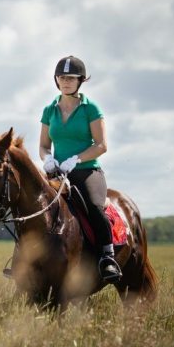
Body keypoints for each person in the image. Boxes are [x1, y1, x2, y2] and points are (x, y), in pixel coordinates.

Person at [38, 55, 121, 283]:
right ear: (56, 80)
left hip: (87, 171)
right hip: (57, 173)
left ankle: (107, 257)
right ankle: (23, 259)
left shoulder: (90, 108)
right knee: (33, 209)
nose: (65, 82)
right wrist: (47, 159)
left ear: (80, 81)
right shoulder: (49, 110)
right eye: (62, 77)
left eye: (71, 78)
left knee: (94, 207)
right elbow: (44, 146)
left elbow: (102, 145)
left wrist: (76, 158)